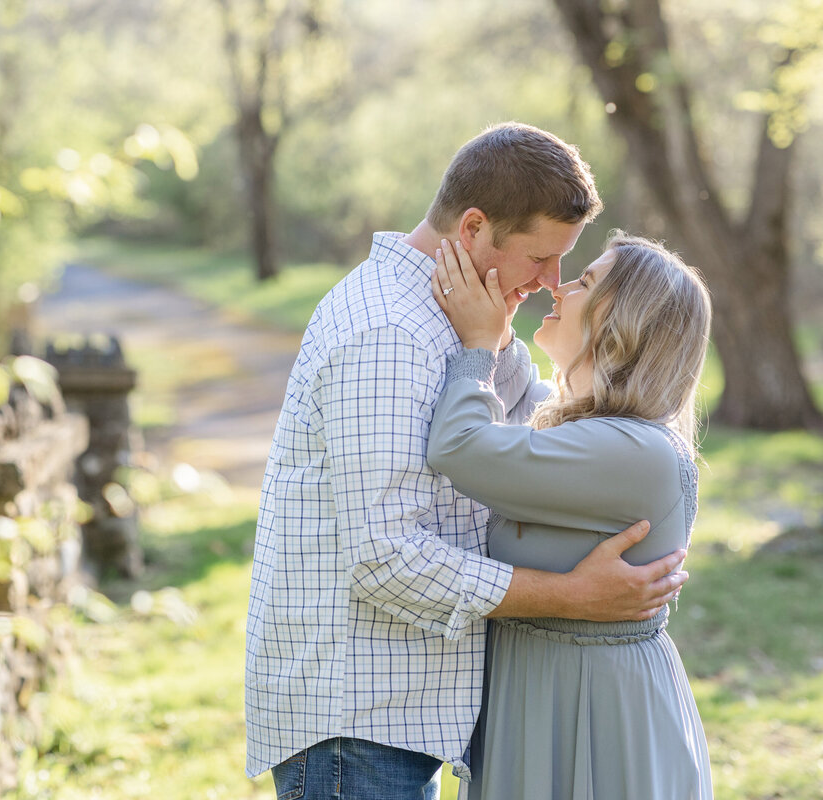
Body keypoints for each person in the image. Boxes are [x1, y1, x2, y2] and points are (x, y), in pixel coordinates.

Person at [244, 122, 689, 800]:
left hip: (395, 716)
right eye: (542, 259)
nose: (551, 283)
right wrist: (571, 598)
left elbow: (519, 432)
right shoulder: (390, 333)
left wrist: (491, 342)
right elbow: (385, 556)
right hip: (358, 726)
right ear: (475, 228)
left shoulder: (443, 320)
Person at [427, 232, 713, 798]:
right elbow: (518, 407)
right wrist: (502, 323)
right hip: (549, 696)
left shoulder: (634, 451)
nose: (558, 286)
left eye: (585, 281)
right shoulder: (597, 433)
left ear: (623, 320)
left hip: (595, 715)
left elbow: (459, 447)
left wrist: (478, 346)